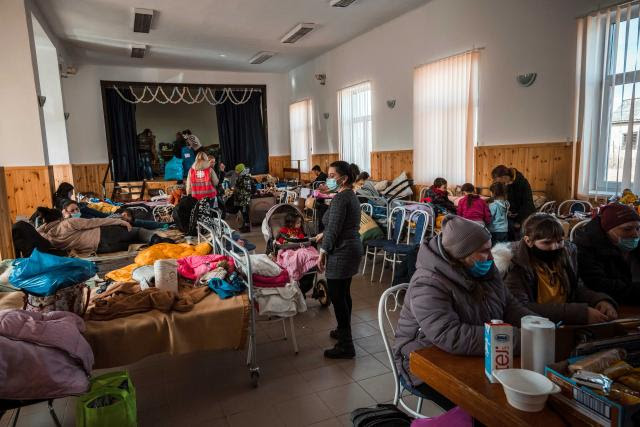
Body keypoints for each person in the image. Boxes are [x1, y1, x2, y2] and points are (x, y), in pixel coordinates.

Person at [393, 216, 533, 406]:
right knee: (487, 404)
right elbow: (450, 335)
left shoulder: (485, 271)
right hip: (422, 360)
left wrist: (535, 325)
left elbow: (509, 305)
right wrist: (517, 339)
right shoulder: (428, 283)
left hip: (471, 351)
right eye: (484, 251)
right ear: (461, 254)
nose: (491, 257)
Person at [502, 213, 617, 324]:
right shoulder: (515, 264)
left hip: (563, 324)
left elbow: (575, 288)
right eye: (546, 242)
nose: (554, 247)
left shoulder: (566, 255)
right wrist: (579, 313)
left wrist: (599, 300)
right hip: (533, 328)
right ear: (528, 241)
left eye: (559, 241)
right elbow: (521, 307)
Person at [317, 161, 363, 359]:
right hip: (352, 247)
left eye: (332, 175)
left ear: (343, 179)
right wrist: (325, 233)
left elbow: (335, 229)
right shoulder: (350, 195)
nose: (329, 178)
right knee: (344, 293)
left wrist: (322, 252)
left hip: (342, 251)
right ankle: (343, 330)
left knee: (337, 297)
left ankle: (346, 345)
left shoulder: (339, 199)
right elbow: (340, 225)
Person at [574, 203, 640, 304]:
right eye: (627, 229)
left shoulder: (635, 241)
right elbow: (598, 284)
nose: (635, 234)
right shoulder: (586, 246)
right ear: (607, 229)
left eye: (638, 228)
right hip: (607, 304)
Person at [35, 207, 172, 254]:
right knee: (137, 232)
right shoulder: (67, 223)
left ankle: (154, 243)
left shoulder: (46, 237)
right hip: (105, 234)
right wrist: (119, 221)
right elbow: (97, 221)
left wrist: (45, 224)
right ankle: (157, 239)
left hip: (101, 249)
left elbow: (37, 230)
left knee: (134, 242)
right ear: (60, 216)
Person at [491, 165, 535, 239]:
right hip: (512, 214)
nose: (498, 183)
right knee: (500, 223)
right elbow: (505, 201)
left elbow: (528, 204)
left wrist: (518, 220)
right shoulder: (505, 184)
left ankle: (519, 244)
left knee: (519, 228)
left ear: (504, 177)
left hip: (524, 213)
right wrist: (508, 212)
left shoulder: (523, 183)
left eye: (498, 180)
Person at [234, 163, 253, 233]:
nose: (236, 172)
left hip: (244, 199)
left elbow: (247, 189)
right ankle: (244, 226)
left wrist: (237, 190)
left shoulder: (246, 177)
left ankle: (247, 228)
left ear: (240, 170)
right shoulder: (241, 176)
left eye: (236, 170)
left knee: (245, 214)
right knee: (243, 213)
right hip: (242, 199)